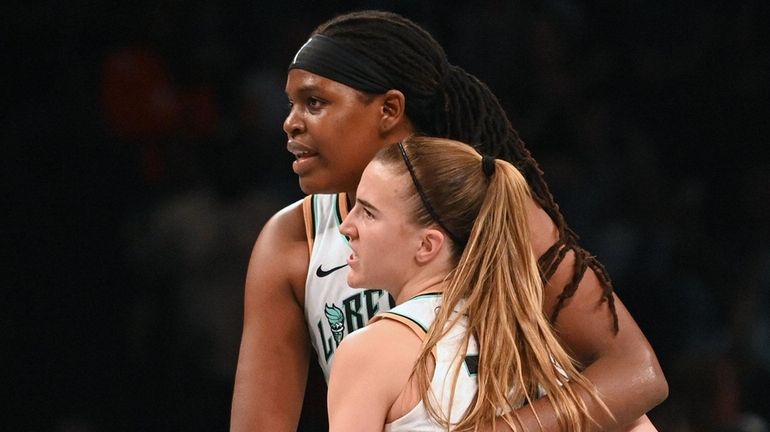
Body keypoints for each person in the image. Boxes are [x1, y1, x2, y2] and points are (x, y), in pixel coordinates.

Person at [230, 10, 667, 432]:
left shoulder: (492, 207)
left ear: (389, 110)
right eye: (292, 104)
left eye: (315, 102)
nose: (290, 123)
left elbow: (637, 373)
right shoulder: (289, 243)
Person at [331, 136, 613, 431]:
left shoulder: (369, 352)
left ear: (427, 245)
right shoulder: (535, 346)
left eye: (368, 213)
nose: (346, 226)